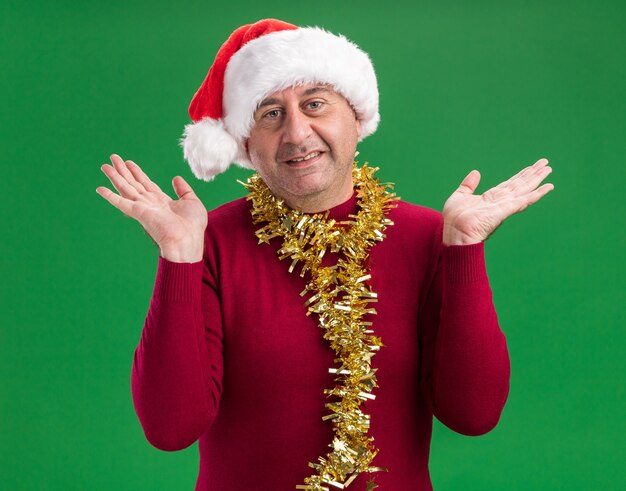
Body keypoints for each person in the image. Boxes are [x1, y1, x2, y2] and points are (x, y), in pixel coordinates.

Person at [96, 18, 554, 491]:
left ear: (356, 118)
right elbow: (170, 429)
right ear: (246, 143)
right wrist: (179, 256)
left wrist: (464, 250)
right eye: (270, 113)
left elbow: (473, 414)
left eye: (315, 104)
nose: (296, 132)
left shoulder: (425, 237)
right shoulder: (209, 241)